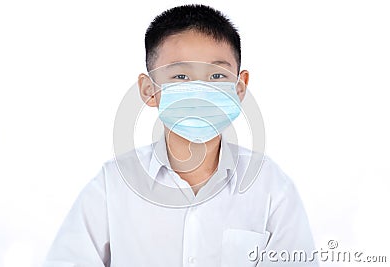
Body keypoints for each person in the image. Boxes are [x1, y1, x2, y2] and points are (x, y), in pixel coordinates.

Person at [44, 4, 319, 266]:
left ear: (240, 87)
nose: (201, 90)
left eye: (217, 76)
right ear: (149, 90)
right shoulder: (111, 185)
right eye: (181, 77)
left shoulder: (272, 188)